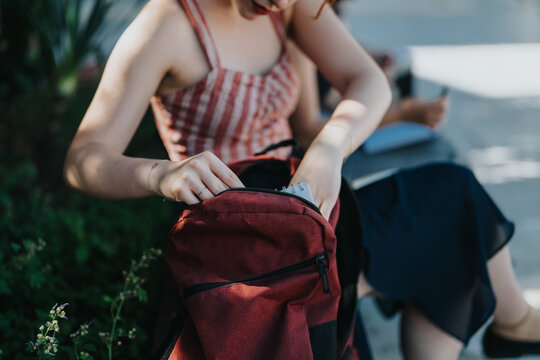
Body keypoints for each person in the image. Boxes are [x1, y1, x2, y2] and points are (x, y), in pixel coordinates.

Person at [63, 0, 540, 358]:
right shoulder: (167, 24)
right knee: (444, 219)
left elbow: (358, 86)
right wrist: (161, 174)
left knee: (446, 203)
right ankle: (517, 322)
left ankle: (516, 323)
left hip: (308, 207)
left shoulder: (286, 8)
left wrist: (330, 148)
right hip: (241, 248)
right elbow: (83, 159)